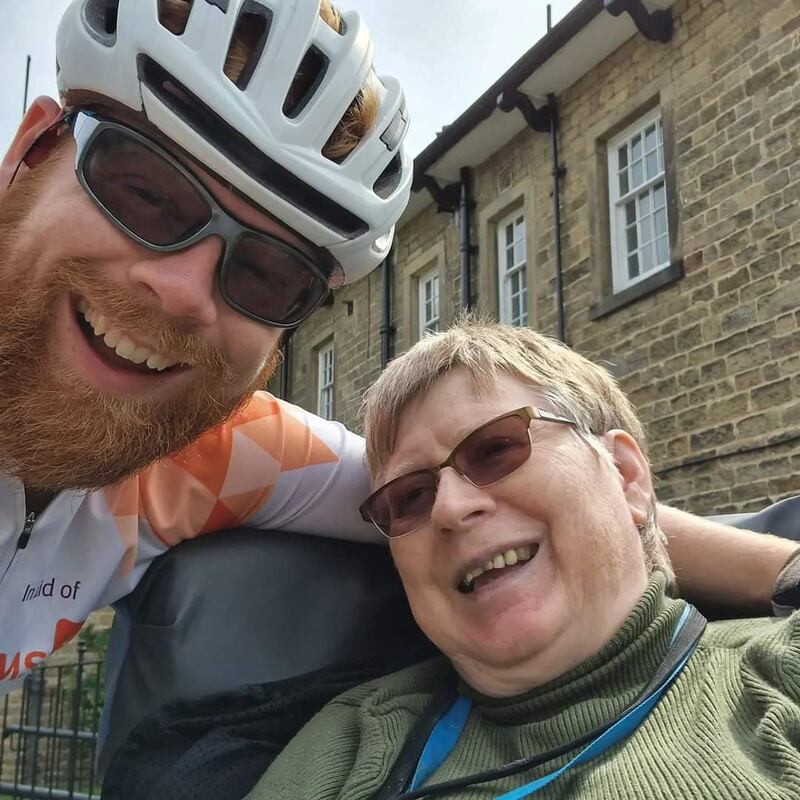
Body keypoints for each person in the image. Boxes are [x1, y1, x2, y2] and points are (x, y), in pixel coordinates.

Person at [0, 0, 795, 696]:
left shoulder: (213, 453)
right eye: (143, 189)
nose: (182, 289)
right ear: (28, 154)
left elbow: (519, 496)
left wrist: (778, 568)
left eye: (271, 276)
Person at [245, 319, 800, 800]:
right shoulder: (355, 739)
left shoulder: (776, 671)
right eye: (409, 497)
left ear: (627, 477)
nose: (451, 508)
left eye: (496, 449)